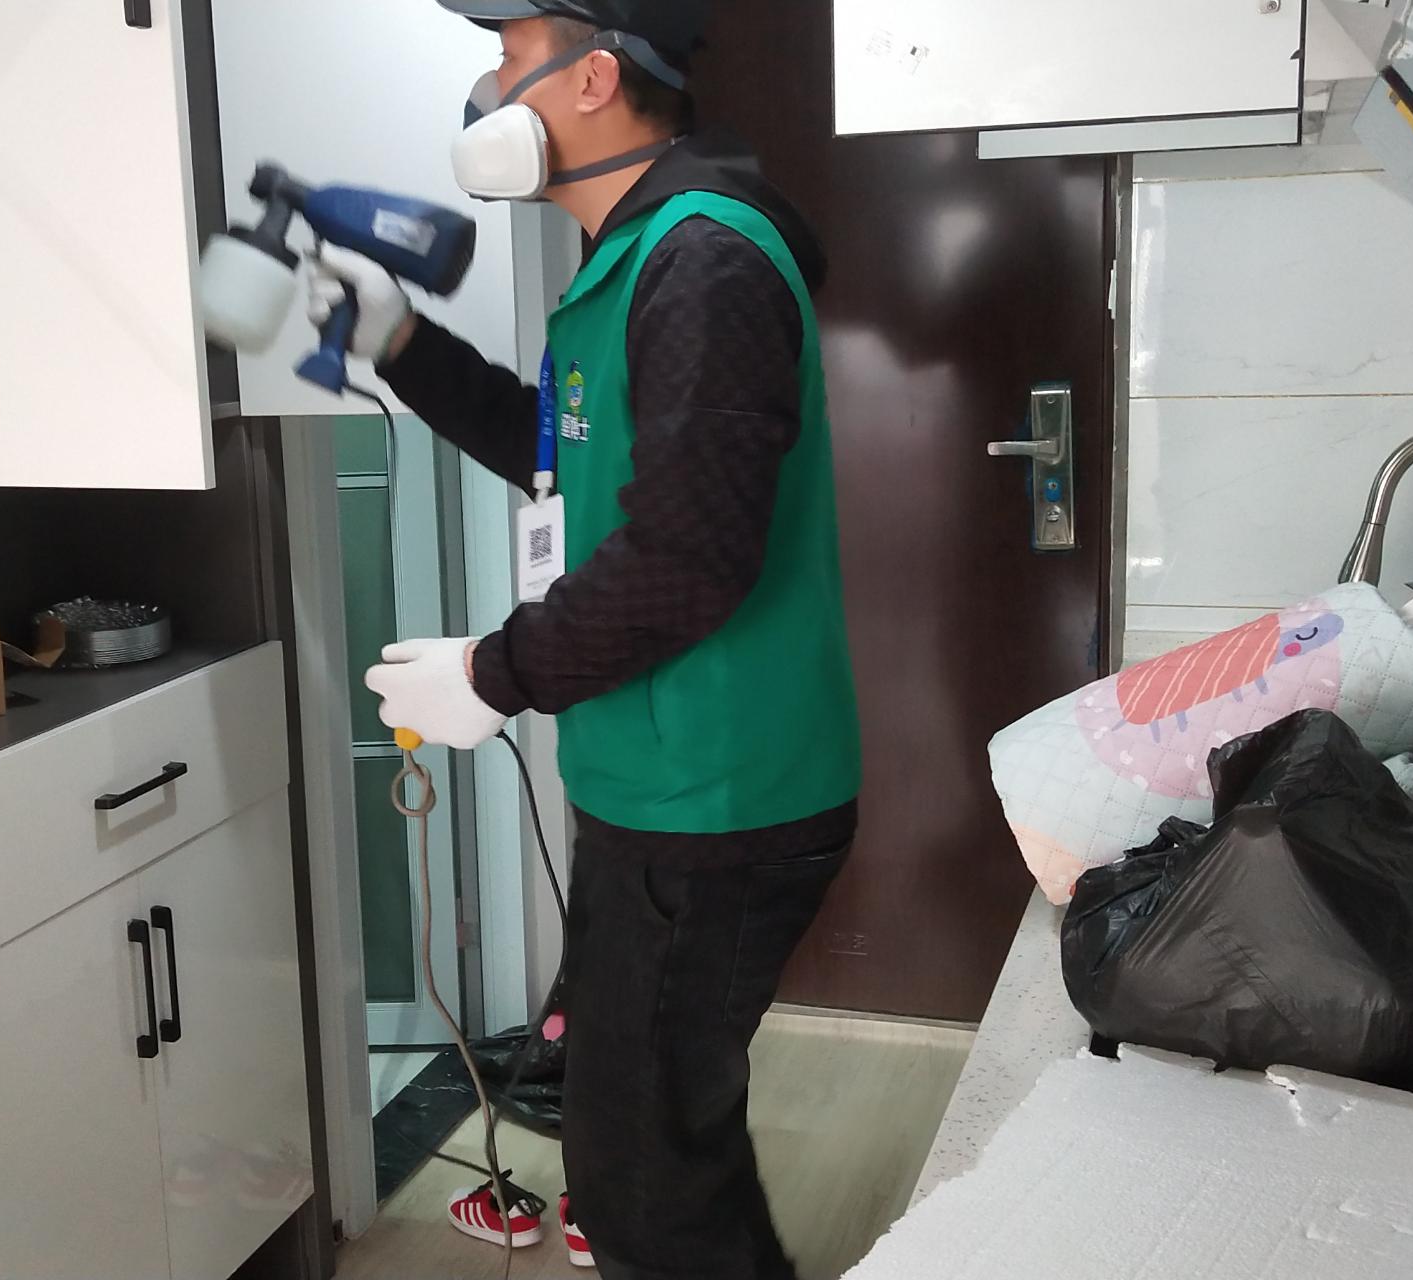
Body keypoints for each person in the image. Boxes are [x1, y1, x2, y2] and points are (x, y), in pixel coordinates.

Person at [324, 3, 861, 1277]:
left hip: (715, 798)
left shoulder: (702, 259)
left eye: (511, 57)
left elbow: (685, 558)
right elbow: (562, 457)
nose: (485, 86)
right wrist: (403, 345)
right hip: (655, 779)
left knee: (647, 1189)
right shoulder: (629, 260)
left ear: (594, 78)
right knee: (647, 1157)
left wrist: (490, 673)